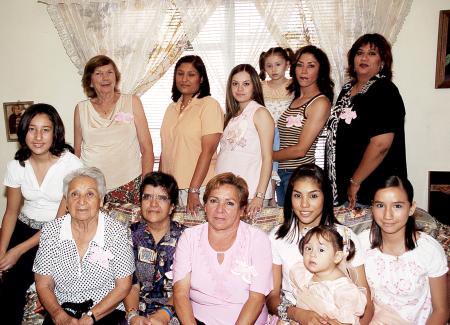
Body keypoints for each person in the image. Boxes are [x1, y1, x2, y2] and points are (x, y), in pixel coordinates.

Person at [0, 103, 82, 325]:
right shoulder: (16, 165)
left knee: (55, 289)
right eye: (32, 129)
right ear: (24, 131)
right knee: (10, 288)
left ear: (55, 132)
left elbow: (60, 220)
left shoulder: (71, 164)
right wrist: (2, 252)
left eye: (45, 129)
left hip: (58, 232)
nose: (38, 136)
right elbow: (11, 212)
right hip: (24, 228)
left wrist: (17, 251)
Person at [266, 164, 373, 325]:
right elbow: (272, 298)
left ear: (325, 197)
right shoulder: (277, 236)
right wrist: (298, 314)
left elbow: (366, 302)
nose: (304, 204)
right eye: (297, 196)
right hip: (294, 317)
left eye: (313, 196)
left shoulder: (345, 236)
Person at [33, 167, 135, 325]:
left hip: (105, 310)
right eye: (74, 194)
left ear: (101, 200)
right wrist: (58, 314)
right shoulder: (51, 232)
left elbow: (123, 286)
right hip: (63, 310)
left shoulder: (116, 232)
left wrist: (91, 317)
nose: (81, 201)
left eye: (90, 194)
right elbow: (43, 283)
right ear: (66, 202)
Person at [173, 173, 273, 325]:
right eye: (214, 201)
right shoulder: (189, 237)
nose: (220, 209)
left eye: (230, 203)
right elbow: (180, 294)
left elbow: (257, 299)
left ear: (242, 210)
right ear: (205, 206)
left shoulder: (257, 239)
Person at [326, 33, 407, 208]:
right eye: (359, 53)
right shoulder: (347, 90)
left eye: (372, 54)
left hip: (371, 190)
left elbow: (380, 145)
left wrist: (355, 182)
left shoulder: (384, 90)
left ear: (382, 61)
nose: (364, 58)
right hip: (343, 189)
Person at [358, 175, 449, 324]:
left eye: (397, 206)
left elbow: (441, 310)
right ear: (372, 207)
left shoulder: (429, 250)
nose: (388, 215)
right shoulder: (361, 244)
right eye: (380, 205)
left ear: (411, 208)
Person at [74, 55, 154, 205]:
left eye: (109, 72)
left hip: (130, 183)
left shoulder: (132, 102)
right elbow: (76, 152)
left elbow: (147, 147)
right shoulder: (81, 108)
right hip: (92, 187)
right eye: (98, 73)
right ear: (90, 81)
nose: (105, 78)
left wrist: (146, 184)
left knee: (132, 229)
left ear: (116, 77)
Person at [160, 55, 223, 215]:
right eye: (180, 74)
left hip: (198, 187)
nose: (184, 79)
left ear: (201, 78)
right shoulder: (170, 108)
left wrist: (193, 190)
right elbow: (165, 150)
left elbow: (208, 151)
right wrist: (160, 186)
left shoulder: (209, 105)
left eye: (191, 74)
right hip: (171, 189)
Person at [273, 45, 334, 207]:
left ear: (321, 70)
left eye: (311, 66)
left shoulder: (320, 102)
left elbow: (301, 150)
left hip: (298, 175)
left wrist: (265, 156)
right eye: (300, 65)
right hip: (280, 173)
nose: (304, 71)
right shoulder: (293, 98)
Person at [124, 172, 186, 325]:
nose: (153, 204)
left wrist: (164, 314)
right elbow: (130, 284)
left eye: (162, 198)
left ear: (172, 207)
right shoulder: (129, 235)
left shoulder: (186, 238)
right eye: (147, 197)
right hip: (136, 311)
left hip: (176, 309)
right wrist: (133, 316)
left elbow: (187, 289)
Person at [216, 64, 275, 217]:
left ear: (254, 86)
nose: (240, 89)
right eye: (235, 84)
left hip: (251, 194)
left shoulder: (260, 113)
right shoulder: (230, 117)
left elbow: (268, 158)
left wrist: (259, 196)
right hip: (227, 193)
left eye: (246, 84)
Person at [289, 225, 367, 325]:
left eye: (321, 250)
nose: (312, 254)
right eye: (308, 248)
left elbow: (348, 320)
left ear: (337, 256)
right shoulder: (304, 274)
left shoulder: (343, 288)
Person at [259, 47, 295, 206]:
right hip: (265, 133)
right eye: (269, 66)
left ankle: (274, 193)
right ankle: (270, 195)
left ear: (287, 65)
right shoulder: (260, 86)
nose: (273, 69)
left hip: (287, 136)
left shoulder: (294, 85)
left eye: (278, 64)